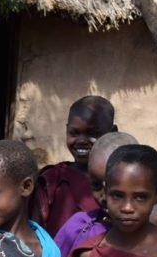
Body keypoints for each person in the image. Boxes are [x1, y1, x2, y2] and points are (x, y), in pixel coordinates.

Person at [32, 95, 117, 236]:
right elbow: (35, 231)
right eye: (74, 133)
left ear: (112, 132)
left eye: (93, 133)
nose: (82, 140)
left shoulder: (120, 180)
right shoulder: (52, 180)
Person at [52, 131, 137, 257]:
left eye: (115, 189)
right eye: (96, 186)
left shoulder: (153, 236)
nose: (104, 197)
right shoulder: (77, 227)